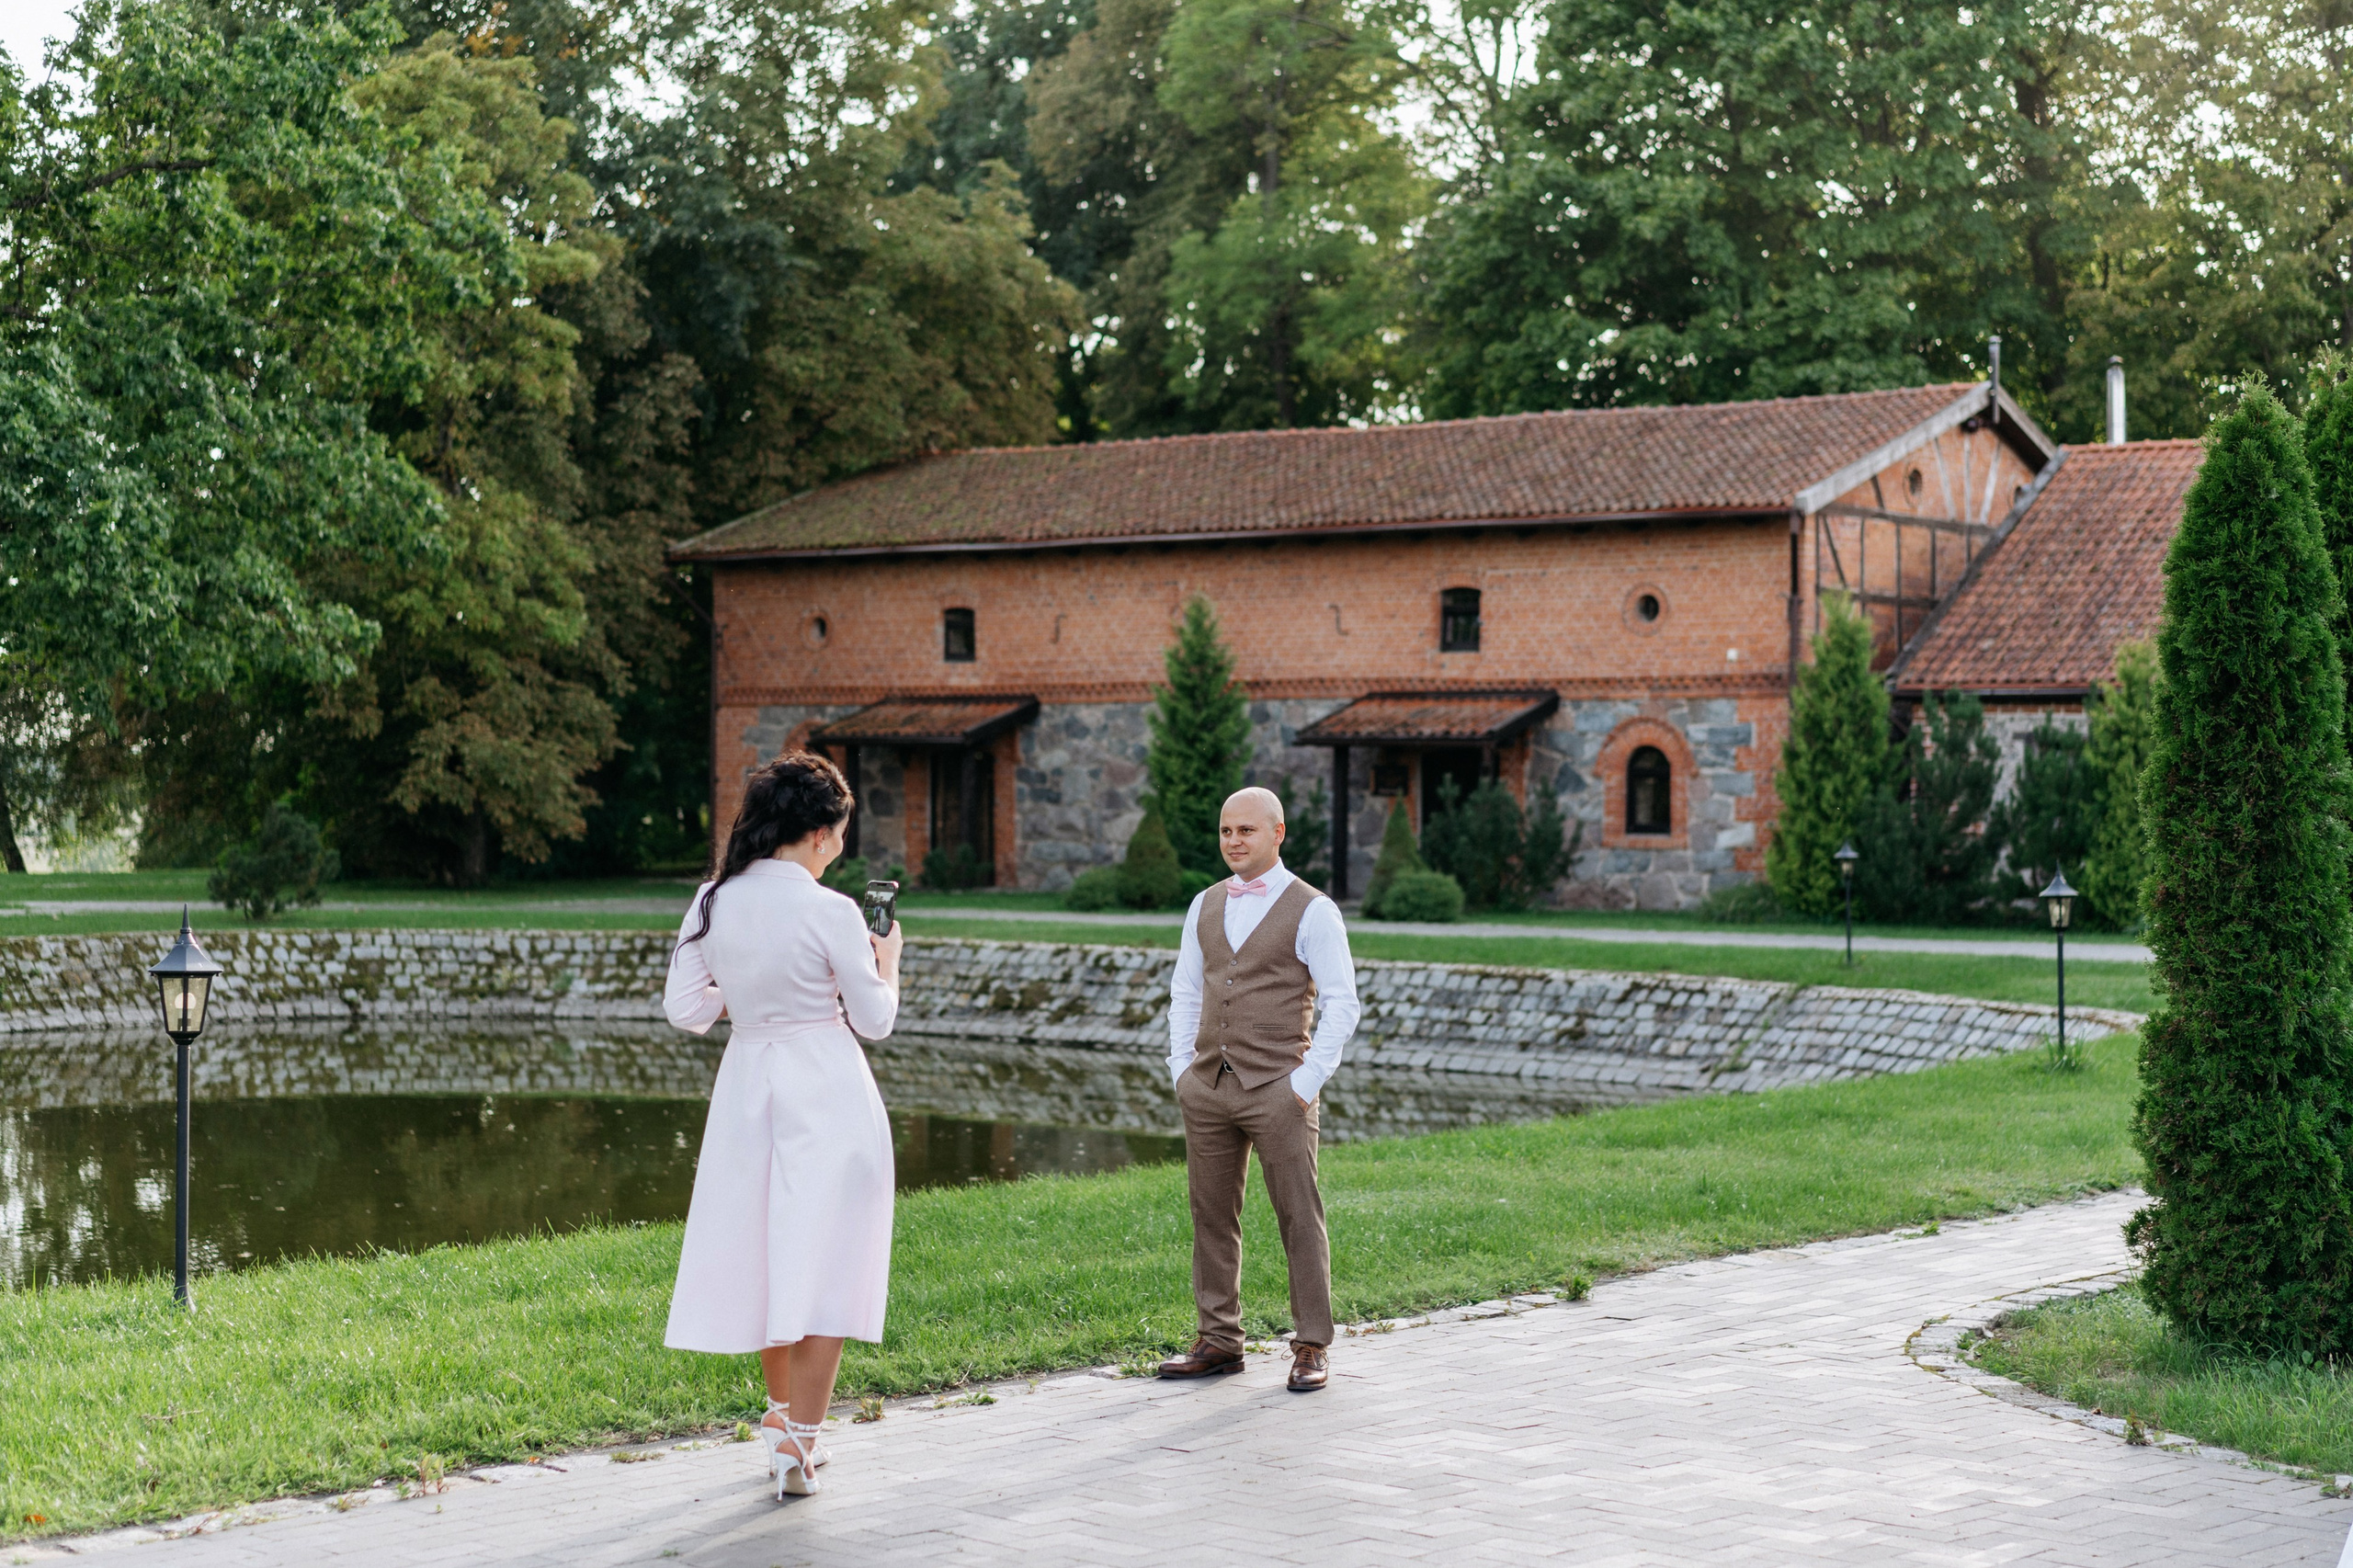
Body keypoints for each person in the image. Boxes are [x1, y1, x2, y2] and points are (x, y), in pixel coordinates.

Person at [661, 750, 904, 1499]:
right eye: (840, 834)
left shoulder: (712, 899)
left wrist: (749, 992)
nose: (839, 849)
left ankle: (779, 1422)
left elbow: (687, 1009)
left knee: (768, 1252)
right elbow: (874, 1020)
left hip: (748, 1086)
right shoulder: (831, 911)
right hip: (826, 1088)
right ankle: (801, 1441)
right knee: (827, 1260)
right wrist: (888, 961)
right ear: (821, 834)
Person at [1158, 785, 1360, 1392]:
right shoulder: (1204, 904)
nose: (1234, 841)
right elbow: (1185, 991)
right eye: (1226, 831)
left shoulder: (1314, 909)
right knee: (1211, 1215)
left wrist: (1304, 1082)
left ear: (1277, 833)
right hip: (1208, 1084)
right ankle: (1219, 1340)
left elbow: (1342, 1003)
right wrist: (1180, 1068)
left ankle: (1312, 1343)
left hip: (1279, 1087)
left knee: (1299, 1215)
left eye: (1246, 830)